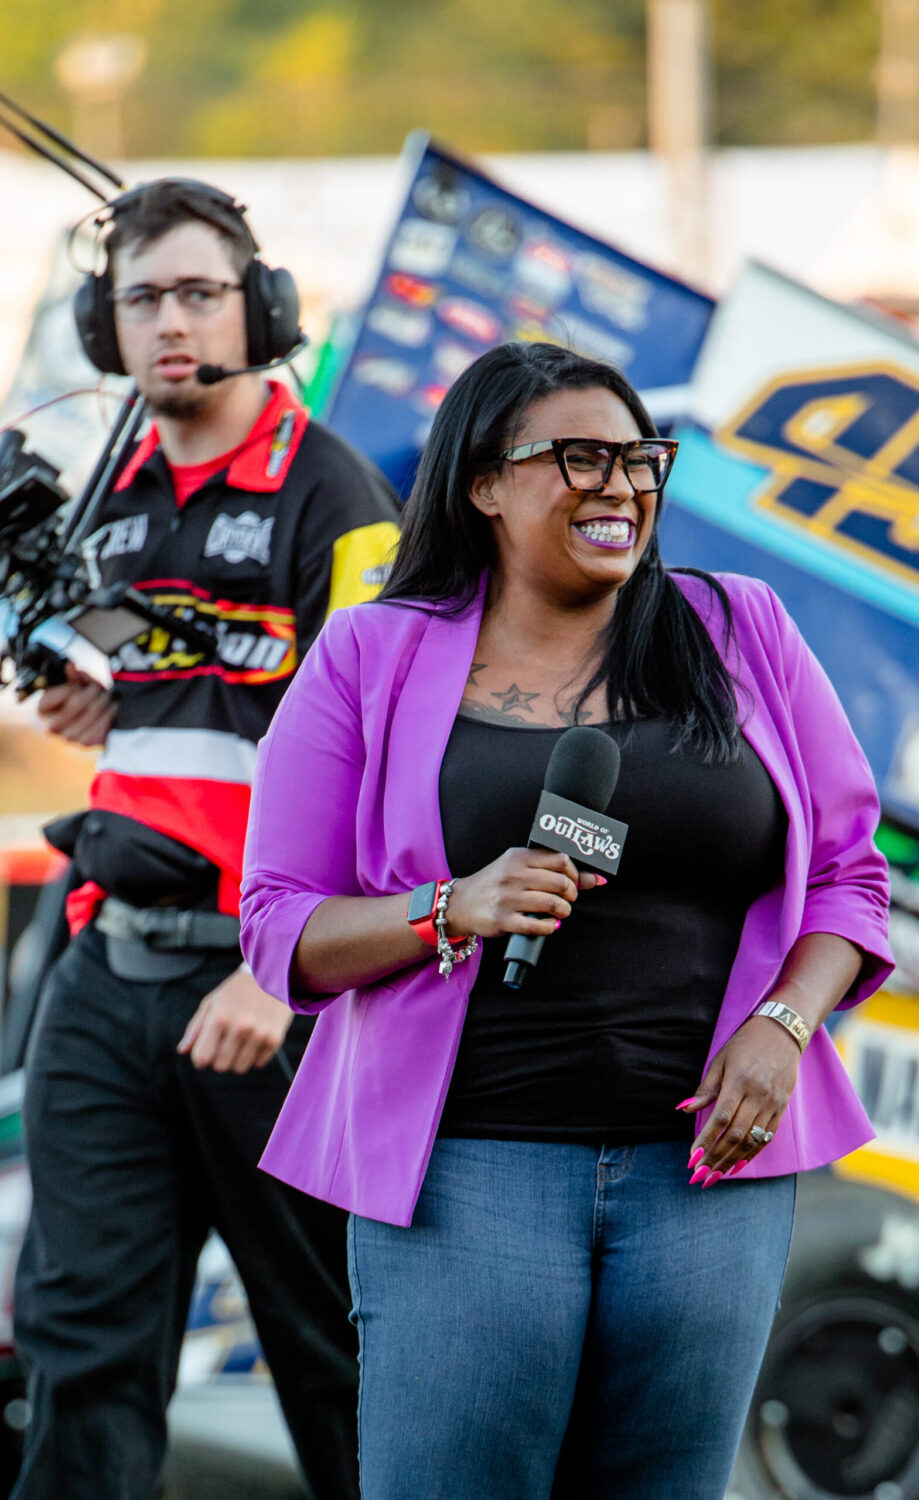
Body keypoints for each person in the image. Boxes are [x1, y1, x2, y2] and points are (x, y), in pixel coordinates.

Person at [240, 341, 893, 1500]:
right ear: (484, 482)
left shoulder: (740, 632)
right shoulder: (370, 655)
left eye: (641, 458)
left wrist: (786, 1023)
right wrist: (451, 907)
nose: (622, 487)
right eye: (578, 458)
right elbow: (282, 929)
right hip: (466, 1178)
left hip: (704, 1182)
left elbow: (848, 873)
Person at [13, 178, 399, 1500]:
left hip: (262, 991)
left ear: (263, 309)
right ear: (102, 325)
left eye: (197, 293)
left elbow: (381, 764)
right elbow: (137, 656)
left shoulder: (336, 498)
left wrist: (278, 971)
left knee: (337, 1354)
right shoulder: (113, 491)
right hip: (104, 969)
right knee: (78, 1354)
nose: (170, 323)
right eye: (141, 300)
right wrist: (89, 690)